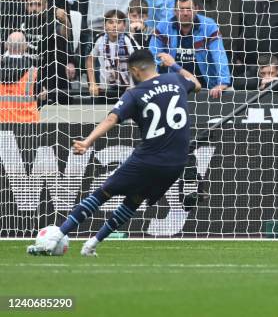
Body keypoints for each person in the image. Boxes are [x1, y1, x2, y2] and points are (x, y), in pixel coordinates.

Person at [27, 49, 202, 257]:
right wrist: (173, 64)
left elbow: (111, 119)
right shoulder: (176, 79)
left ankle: (54, 238)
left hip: (149, 159)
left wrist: (87, 142)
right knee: (134, 200)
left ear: (136, 71)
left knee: (102, 193)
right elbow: (197, 84)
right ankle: (92, 244)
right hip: (176, 165)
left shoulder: (134, 93)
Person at [149, 0, 231, 98]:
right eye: (181, 9)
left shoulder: (209, 26)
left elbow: (219, 55)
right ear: (175, 11)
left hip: (205, 86)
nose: (185, 13)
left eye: (189, 9)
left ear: (196, 9)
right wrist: (152, 81)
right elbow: (153, 56)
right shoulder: (163, 26)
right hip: (171, 86)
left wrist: (223, 82)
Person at [87, 10, 140, 98]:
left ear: (124, 26)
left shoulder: (129, 40)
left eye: (118, 22)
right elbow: (90, 60)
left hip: (128, 89)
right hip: (105, 88)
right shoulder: (99, 39)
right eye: (111, 22)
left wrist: (133, 84)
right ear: (105, 26)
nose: (114, 26)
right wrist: (92, 83)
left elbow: (139, 61)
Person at [0, 31, 41, 122]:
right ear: (25, 47)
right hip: (28, 126)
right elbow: (41, 96)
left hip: (3, 125)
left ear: (6, 45)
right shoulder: (33, 72)